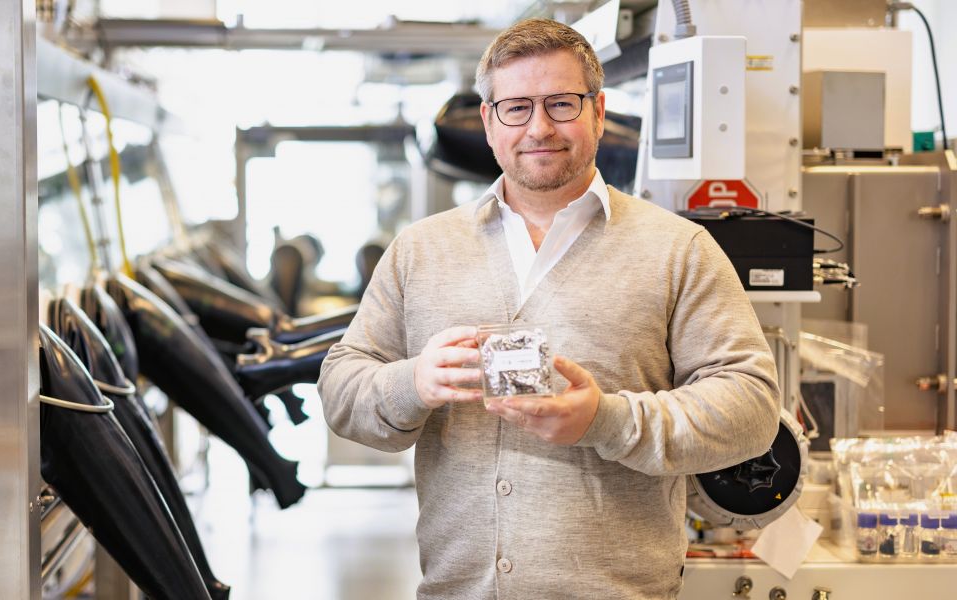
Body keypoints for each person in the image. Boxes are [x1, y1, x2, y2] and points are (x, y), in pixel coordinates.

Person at [318, 17, 780, 600]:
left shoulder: (677, 249)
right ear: (488, 121)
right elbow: (340, 388)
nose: (540, 127)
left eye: (561, 104)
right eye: (515, 107)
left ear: (598, 111)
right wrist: (414, 382)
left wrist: (606, 421)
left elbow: (752, 406)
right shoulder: (421, 250)